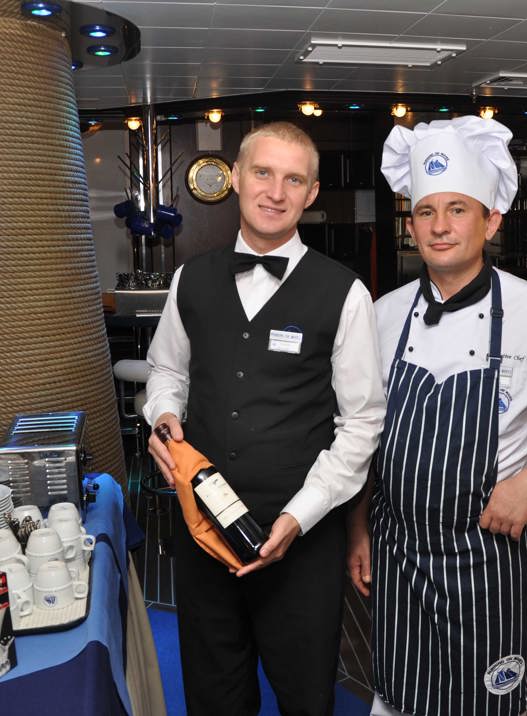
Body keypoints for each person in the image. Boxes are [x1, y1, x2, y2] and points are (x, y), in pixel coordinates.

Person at [346, 116, 527, 716]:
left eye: (458, 209)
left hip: (488, 559)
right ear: (411, 223)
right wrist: (359, 527)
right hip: (399, 555)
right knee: (398, 696)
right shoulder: (381, 314)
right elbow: (365, 433)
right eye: (426, 212)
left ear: (491, 219)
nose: (440, 227)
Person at [144, 121, 385, 716]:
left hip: (301, 545)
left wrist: (298, 519)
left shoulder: (345, 292)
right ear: (236, 180)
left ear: (311, 193)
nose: (276, 192)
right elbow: (166, 370)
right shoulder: (190, 278)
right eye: (263, 173)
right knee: (213, 693)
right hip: (202, 530)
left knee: (305, 697)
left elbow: (362, 422)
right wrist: (164, 416)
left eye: (293, 179)